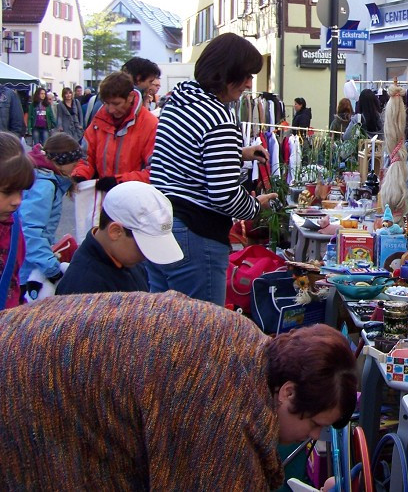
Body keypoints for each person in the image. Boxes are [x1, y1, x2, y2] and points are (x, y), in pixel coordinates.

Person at [0, 293, 358, 490]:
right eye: (314, 424)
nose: (315, 435)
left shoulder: (247, 342)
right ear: (288, 393)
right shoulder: (219, 411)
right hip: (23, 385)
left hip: (28, 335)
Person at [146, 33, 277, 305]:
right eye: (246, 76)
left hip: (158, 224)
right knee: (200, 333)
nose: (249, 84)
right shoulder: (218, 117)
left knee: (160, 324)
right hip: (196, 232)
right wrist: (255, 206)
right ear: (228, 73)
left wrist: (239, 154)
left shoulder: (178, 102)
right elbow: (224, 195)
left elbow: (185, 155)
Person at [56, 181, 183, 295]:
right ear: (115, 232)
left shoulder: (125, 260)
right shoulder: (83, 289)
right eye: (143, 245)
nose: (146, 256)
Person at [17, 134, 81, 300]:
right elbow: (30, 230)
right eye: (73, 165)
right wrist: (51, 268)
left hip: (28, 261)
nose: (74, 170)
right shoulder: (45, 185)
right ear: (62, 161)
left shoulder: (40, 175)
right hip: (28, 267)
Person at [71, 71, 157, 190]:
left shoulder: (150, 124)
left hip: (135, 198)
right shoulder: (98, 121)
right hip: (104, 197)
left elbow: (155, 171)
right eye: (106, 103)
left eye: (116, 104)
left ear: (130, 97)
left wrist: (119, 181)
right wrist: (80, 175)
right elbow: (85, 158)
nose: (110, 109)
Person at [0, 132, 33, 309]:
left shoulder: (12, 225)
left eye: (20, 191)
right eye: (7, 192)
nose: (17, 201)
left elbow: (13, 279)